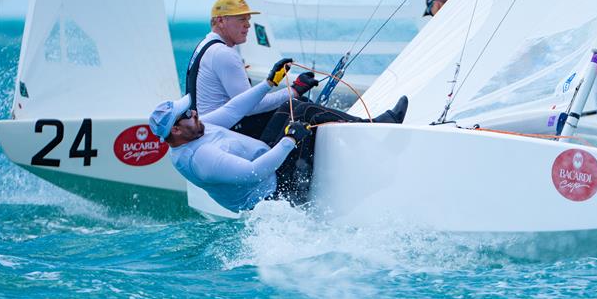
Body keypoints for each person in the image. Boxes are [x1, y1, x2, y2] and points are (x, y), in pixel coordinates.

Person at [150, 80, 409, 212]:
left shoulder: (195, 130)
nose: (195, 113)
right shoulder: (201, 158)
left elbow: (232, 110)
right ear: (175, 129)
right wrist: (289, 140)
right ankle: (378, 129)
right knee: (304, 113)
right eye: (188, 114)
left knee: (293, 107)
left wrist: (269, 83)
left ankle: (370, 128)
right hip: (277, 191)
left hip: (269, 164)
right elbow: (254, 172)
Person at [185, 0, 321, 140]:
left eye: (248, 19)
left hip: (204, 130)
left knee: (294, 107)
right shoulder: (223, 53)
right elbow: (251, 107)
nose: (248, 25)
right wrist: (295, 90)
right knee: (301, 107)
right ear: (220, 21)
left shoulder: (205, 46)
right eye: (242, 19)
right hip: (220, 134)